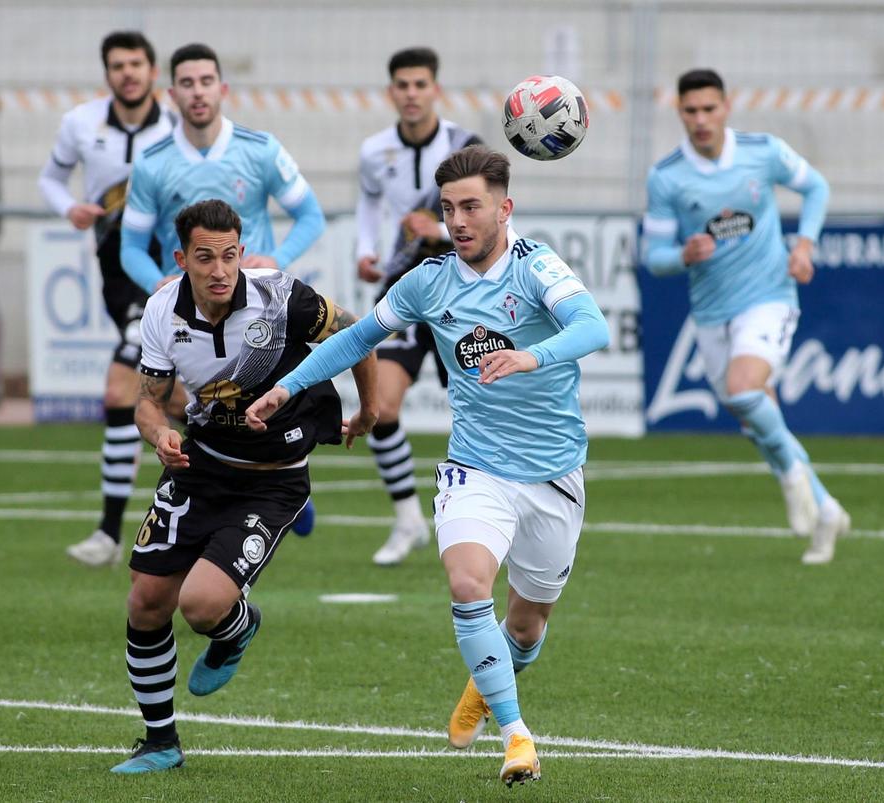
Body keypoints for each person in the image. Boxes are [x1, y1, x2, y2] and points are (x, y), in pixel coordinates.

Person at [247, 145, 609, 786]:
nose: (459, 220)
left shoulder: (536, 267)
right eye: (447, 209)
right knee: (469, 585)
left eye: (472, 206)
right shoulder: (427, 280)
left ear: (505, 207)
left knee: (525, 626)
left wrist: (533, 356)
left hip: (554, 474)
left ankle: (486, 683)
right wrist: (286, 386)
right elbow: (358, 338)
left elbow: (592, 326)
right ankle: (516, 735)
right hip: (477, 466)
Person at [110, 199, 378, 773]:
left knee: (201, 606)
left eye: (229, 255)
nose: (220, 269)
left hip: (271, 482)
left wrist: (370, 410)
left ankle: (237, 627)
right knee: (146, 599)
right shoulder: (162, 311)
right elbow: (149, 404)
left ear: (241, 251)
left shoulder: (280, 298)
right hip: (200, 466)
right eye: (204, 257)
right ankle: (160, 742)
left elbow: (357, 331)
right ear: (182, 259)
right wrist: (159, 436)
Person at [642, 68, 847, 564]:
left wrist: (804, 245)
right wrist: (684, 255)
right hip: (712, 312)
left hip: (770, 295)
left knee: (744, 387)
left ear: (726, 107)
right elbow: (653, 256)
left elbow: (816, 188)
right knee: (757, 416)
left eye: (709, 109)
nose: (700, 119)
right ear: (680, 113)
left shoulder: (763, 151)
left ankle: (793, 479)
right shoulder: (667, 176)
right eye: (690, 111)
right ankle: (826, 510)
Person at [121, 42, 326, 535]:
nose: (197, 92)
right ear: (171, 93)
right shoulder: (152, 162)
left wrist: (273, 261)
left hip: (255, 307)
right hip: (190, 305)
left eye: (206, 81)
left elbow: (310, 216)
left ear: (222, 88)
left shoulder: (260, 150)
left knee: (263, 398)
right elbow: (129, 245)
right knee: (183, 402)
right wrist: (160, 285)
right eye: (187, 83)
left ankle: (280, 482)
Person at [38, 31, 179, 567]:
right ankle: (251, 458)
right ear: (108, 74)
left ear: (151, 70)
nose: (128, 73)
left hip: (170, 270)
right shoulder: (80, 123)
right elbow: (50, 180)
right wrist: (68, 207)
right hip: (114, 270)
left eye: (137, 64)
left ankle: (107, 533)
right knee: (182, 396)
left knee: (122, 388)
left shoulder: (175, 127)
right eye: (118, 65)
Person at [355, 47, 482, 566]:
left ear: (436, 90)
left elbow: (489, 220)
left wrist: (444, 231)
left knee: (480, 410)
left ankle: (485, 516)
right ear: (392, 92)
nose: (411, 94)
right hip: (406, 291)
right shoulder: (373, 150)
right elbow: (368, 205)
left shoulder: (463, 147)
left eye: (420, 84)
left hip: (465, 294)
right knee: (379, 408)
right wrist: (365, 251)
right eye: (402, 85)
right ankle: (408, 517)